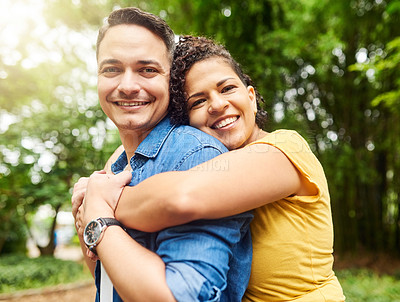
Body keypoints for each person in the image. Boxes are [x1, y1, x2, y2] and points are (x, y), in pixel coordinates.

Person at [83, 35, 346, 301]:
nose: (218, 105)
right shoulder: (209, 161)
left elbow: (180, 198)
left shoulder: (284, 150)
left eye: (228, 88)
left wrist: (99, 205)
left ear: (252, 97)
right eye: (198, 102)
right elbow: (112, 274)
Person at [72, 8, 253, 302]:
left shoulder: (194, 155)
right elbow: (108, 281)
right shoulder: (117, 167)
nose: (128, 86)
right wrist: (86, 223)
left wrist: (99, 218)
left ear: (171, 82)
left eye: (148, 70)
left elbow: (181, 296)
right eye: (111, 69)